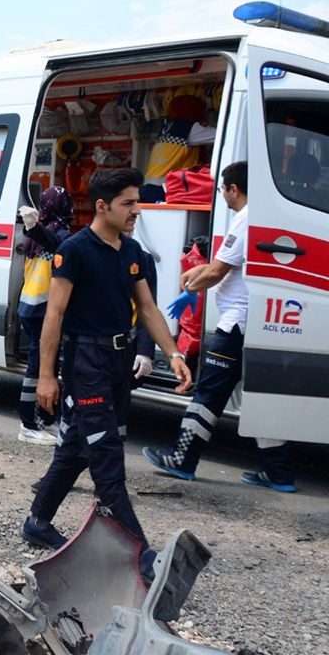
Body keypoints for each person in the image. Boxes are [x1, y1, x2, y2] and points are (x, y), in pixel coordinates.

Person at [21, 168, 192, 583]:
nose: (137, 210)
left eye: (137, 202)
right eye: (129, 203)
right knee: (107, 457)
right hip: (86, 364)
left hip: (119, 363)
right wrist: (47, 376)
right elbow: (54, 315)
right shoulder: (74, 251)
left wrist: (173, 354)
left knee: (79, 446)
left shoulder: (132, 252)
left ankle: (37, 521)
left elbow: (148, 309)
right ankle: (141, 554)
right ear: (103, 206)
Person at [142, 162, 297, 492]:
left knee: (208, 394)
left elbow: (217, 272)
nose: (221, 195)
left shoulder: (245, 219)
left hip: (234, 326)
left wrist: (190, 286)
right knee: (258, 399)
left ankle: (183, 459)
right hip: (253, 323)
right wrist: (193, 278)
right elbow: (217, 267)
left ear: (233, 189)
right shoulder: (261, 216)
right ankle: (279, 472)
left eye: (222, 189)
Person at [15, 186, 74, 445]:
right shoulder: (57, 232)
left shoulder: (39, 234)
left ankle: (38, 421)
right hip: (44, 309)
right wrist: (33, 227)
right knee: (41, 367)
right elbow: (58, 246)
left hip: (30, 306)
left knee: (37, 364)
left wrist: (33, 228)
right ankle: (31, 424)